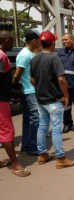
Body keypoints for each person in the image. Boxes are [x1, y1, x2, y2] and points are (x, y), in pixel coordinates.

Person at [30, 31, 74, 169]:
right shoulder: (53, 58)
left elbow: (32, 78)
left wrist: (39, 88)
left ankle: (42, 154)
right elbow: (61, 79)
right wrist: (66, 95)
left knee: (42, 127)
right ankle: (61, 158)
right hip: (54, 100)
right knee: (56, 129)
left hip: (41, 99)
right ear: (52, 43)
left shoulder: (35, 59)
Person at [0, 30, 31, 176]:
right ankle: (15, 164)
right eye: (12, 41)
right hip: (1, 100)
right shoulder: (1, 56)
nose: (13, 43)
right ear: (6, 41)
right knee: (7, 132)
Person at [12, 29, 41, 156]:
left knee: (28, 120)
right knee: (35, 120)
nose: (40, 42)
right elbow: (17, 75)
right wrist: (16, 85)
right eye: (39, 40)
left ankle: (26, 145)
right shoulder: (25, 55)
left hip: (29, 91)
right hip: (30, 92)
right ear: (34, 41)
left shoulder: (29, 53)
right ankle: (33, 148)